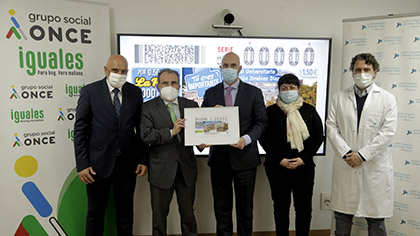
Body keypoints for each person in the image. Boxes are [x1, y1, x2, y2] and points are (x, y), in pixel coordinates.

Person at [74, 54, 148, 236]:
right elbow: (80, 130)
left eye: (123, 71)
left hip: (127, 165)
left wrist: (142, 159)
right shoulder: (90, 92)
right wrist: (82, 164)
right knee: (95, 214)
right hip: (96, 166)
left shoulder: (135, 92)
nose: (119, 74)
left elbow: (141, 129)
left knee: (125, 214)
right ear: (106, 70)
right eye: (115, 70)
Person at [326, 53, 397, 236]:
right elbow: (332, 127)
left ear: (375, 72)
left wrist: (362, 155)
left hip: (373, 166)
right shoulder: (339, 98)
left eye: (367, 70)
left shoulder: (387, 99)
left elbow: (387, 132)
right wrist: (348, 153)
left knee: (376, 221)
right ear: (352, 72)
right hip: (346, 163)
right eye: (358, 70)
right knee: (342, 219)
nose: (362, 73)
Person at [201, 52, 267, 236]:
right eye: (225, 65)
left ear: (240, 68)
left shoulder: (254, 93)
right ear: (220, 68)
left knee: (245, 211)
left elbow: (261, 123)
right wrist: (210, 121)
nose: (229, 69)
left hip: (245, 160)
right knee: (221, 210)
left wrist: (245, 139)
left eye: (233, 65)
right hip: (219, 161)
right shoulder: (210, 93)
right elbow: (203, 125)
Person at [259, 74, 324, 236]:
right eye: (284, 88)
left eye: (292, 88)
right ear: (279, 91)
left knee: (303, 208)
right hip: (277, 167)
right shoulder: (270, 111)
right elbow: (264, 138)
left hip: (304, 167)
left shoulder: (309, 110)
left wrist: (303, 158)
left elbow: (318, 135)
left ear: (298, 89)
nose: (288, 91)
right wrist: (280, 159)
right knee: (281, 208)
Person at [140, 69, 199, 236]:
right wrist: (171, 132)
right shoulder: (148, 107)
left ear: (179, 86)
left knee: (188, 216)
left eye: (173, 83)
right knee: (159, 219)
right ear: (158, 87)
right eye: (165, 83)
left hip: (186, 170)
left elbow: (198, 134)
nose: (169, 86)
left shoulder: (191, 105)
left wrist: (203, 142)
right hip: (161, 171)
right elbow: (145, 135)